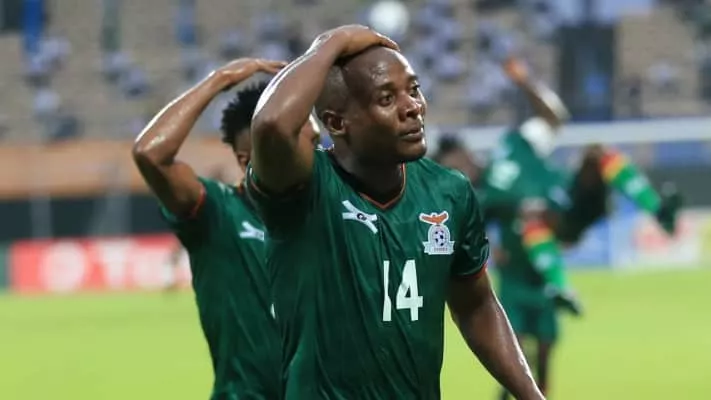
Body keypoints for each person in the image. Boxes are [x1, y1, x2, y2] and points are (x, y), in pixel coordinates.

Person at [246, 25, 543, 399]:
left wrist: (532, 396)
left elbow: (476, 306)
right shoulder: (303, 189)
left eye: (414, 90)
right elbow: (272, 125)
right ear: (337, 123)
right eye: (387, 98)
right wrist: (331, 43)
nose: (412, 107)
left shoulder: (448, 191)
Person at [435, 57, 682, 399]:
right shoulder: (479, 197)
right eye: (447, 166)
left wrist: (525, 82)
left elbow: (554, 117)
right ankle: (561, 290)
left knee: (596, 153)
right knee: (524, 352)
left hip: (573, 201)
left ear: (464, 151)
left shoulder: (512, 145)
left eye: (454, 158)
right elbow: (467, 237)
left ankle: (660, 210)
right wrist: (493, 251)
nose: (456, 166)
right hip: (536, 250)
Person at [132, 57, 320, 399]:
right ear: (245, 159)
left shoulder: (326, 211)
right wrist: (219, 80)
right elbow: (150, 154)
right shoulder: (217, 212)